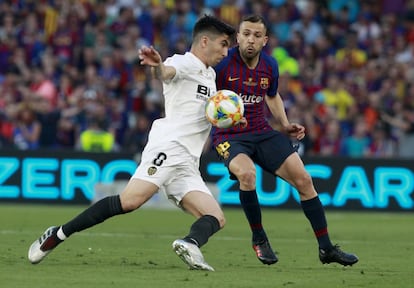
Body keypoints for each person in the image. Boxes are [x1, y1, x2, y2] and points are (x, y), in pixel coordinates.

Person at [28, 15, 236, 271]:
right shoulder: (183, 62)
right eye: (224, 44)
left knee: (215, 216)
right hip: (169, 147)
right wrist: (158, 66)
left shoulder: (210, 75)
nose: (226, 52)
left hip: (188, 161)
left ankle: (190, 243)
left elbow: (205, 113)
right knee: (130, 201)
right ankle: (58, 233)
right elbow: (166, 72)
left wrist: (230, 120)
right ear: (205, 41)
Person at [212, 14, 359, 266]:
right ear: (237, 37)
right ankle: (259, 239)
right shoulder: (222, 65)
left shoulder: (269, 65)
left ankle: (326, 249)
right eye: (246, 34)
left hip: (261, 131)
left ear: (265, 40)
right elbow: (207, 101)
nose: (250, 40)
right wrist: (227, 119)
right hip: (229, 135)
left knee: (304, 180)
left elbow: (272, 96)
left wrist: (284, 124)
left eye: (257, 36)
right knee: (247, 175)